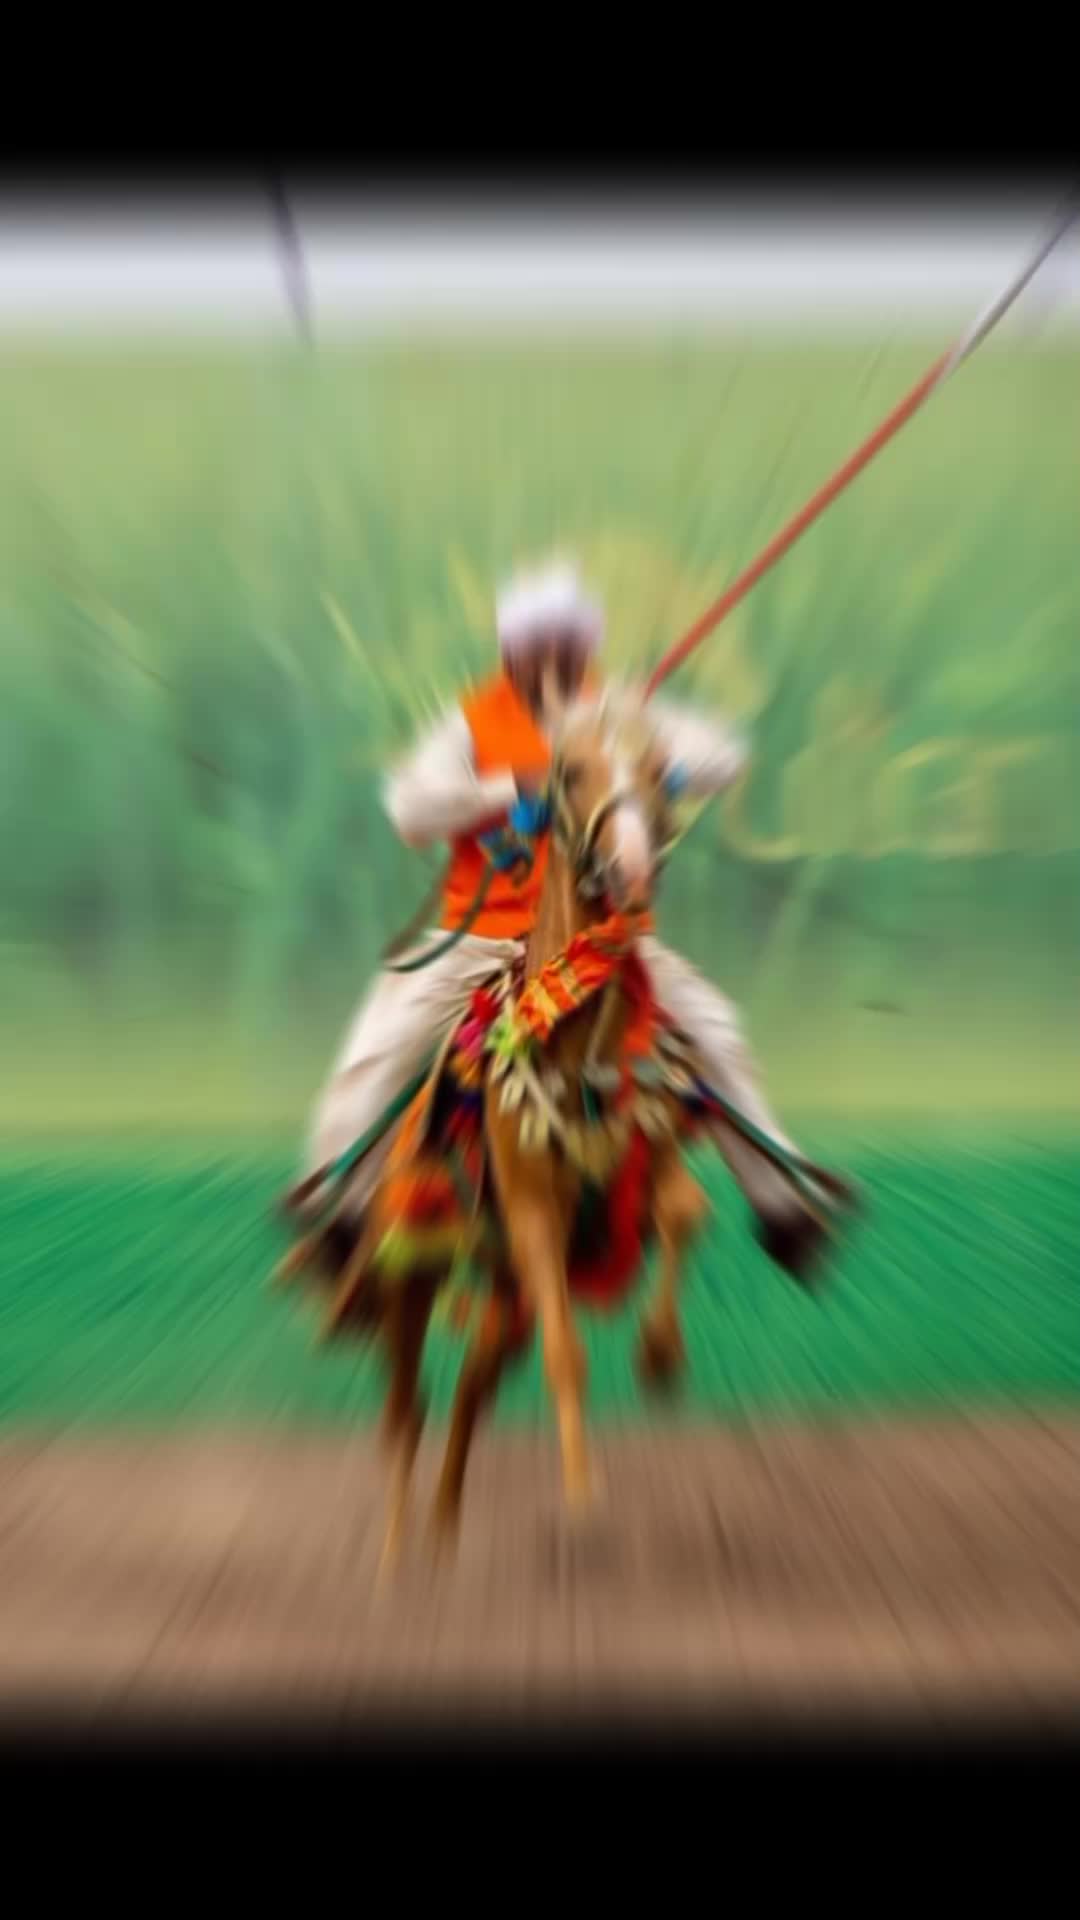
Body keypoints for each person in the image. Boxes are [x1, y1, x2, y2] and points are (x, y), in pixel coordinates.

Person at [298, 559, 846, 1279]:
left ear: (586, 646)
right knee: (385, 1046)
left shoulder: (618, 714)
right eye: (539, 643)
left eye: (568, 642)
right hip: (486, 940)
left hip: (609, 944)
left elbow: (724, 756)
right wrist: (512, 788)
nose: (555, 657)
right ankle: (338, 1203)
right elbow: (410, 811)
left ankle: (780, 1200)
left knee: (714, 1030)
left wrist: (660, 767)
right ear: (512, 651)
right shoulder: (472, 721)